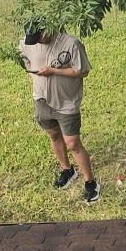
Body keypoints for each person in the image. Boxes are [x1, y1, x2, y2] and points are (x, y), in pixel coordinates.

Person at [20, 20, 98, 202]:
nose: (36, 41)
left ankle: (90, 183)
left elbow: (82, 71)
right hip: (41, 99)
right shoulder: (27, 42)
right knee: (54, 135)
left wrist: (54, 71)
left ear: (47, 28)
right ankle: (67, 170)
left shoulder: (71, 43)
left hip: (66, 102)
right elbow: (24, 57)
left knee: (72, 143)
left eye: (39, 36)